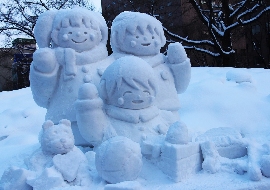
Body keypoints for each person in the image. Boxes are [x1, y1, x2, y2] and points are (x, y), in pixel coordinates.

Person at [30, 7, 109, 145]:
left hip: (102, 125)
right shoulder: (55, 62)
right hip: (63, 129)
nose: (78, 34)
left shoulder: (107, 61)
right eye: (70, 32)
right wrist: (44, 70)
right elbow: (42, 98)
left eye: (86, 31)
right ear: (55, 35)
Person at [75, 56, 177, 146]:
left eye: (145, 91)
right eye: (128, 92)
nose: (138, 96)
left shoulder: (163, 117)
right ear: (107, 91)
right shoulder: (108, 122)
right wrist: (89, 109)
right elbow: (93, 133)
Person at [108, 11, 191, 120]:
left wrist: (180, 65)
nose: (146, 39)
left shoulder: (164, 62)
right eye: (137, 36)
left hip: (169, 111)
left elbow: (181, 87)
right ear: (117, 39)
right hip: (131, 117)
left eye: (152, 36)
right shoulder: (117, 65)